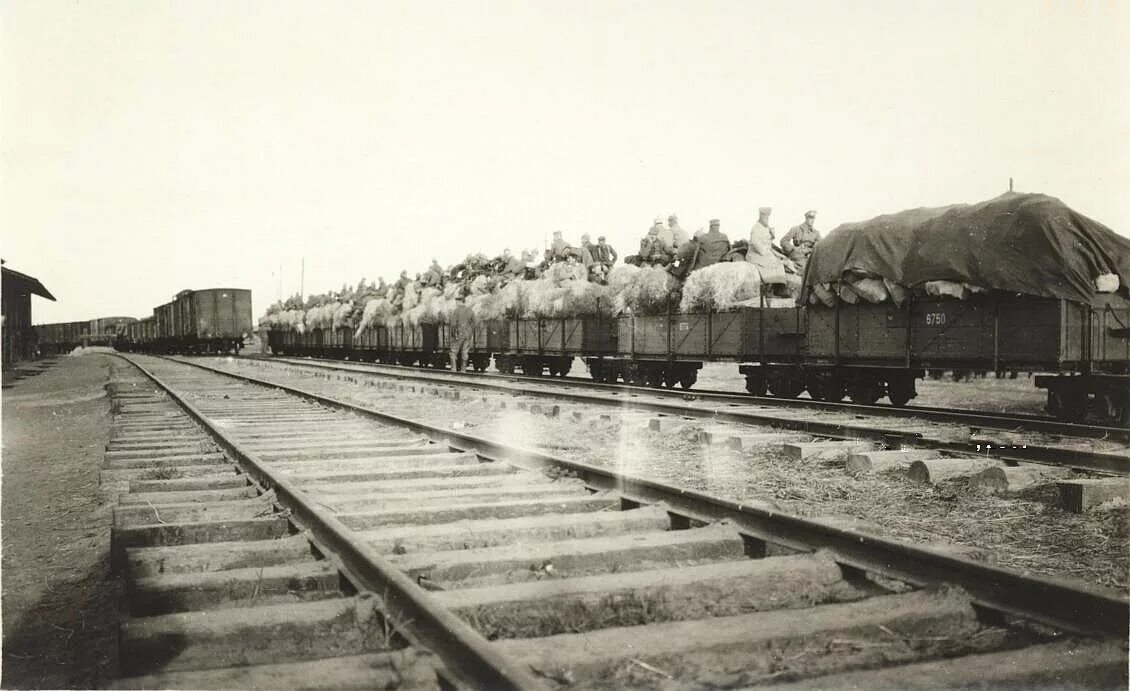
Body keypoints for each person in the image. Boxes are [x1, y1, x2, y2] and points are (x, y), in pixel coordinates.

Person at [747, 207, 787, 284]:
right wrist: (768, 253)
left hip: (764, 252)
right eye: (765, 217)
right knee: (773, 262)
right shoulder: (756, 228)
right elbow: (755, 243)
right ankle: (773, 286)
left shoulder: (766, 227)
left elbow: (768, 243)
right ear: (760, 216)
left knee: (780, 261)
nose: (767, 219)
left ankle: (778, 285)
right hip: (755, 254)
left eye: (768, 217)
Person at [448, 290, 474, 372]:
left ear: (460, 302)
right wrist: (470, 331)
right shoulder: (470, 310)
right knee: (465, 352)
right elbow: (474, 322)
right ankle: (463, 369)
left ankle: (454, 368)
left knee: (453, 352)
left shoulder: (456, 311)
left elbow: (453, 324)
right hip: (467, 334)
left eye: (457, 301)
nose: (456, 303)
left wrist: (452, 334)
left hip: (458, 333)